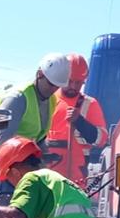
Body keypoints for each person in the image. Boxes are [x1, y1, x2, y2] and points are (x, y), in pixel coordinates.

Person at [0, 53, 71, 194]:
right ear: (40, 74)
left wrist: (42, 160)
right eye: (51, 84)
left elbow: (39, 137)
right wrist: (29, 162)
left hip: (19, 166)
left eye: (57, 86)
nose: (53, 90)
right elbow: (3, 140)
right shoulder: (17, 98)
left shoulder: (50, 101)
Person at [45, 53, 108, 187]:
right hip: (47, 176)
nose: (73, 86)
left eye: (78, 82)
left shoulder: (90, 104)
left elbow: (102, 139)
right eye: (70, 81)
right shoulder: (48, 101)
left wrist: (79, 121)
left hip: (76, 180)